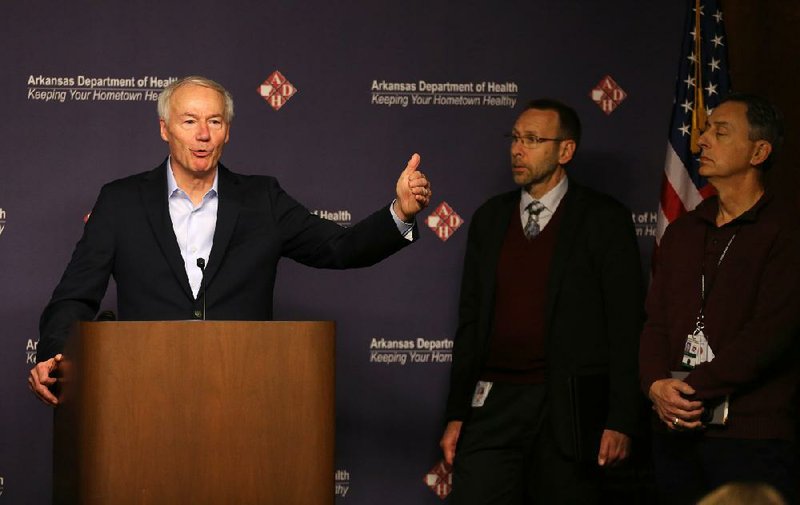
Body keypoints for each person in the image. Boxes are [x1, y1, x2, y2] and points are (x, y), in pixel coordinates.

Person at [29, 75, 432, 406]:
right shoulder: (120, 201)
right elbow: (74, 297)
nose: (203, 134)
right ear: (164, 129)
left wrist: (400, 212)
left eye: (215, 122)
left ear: (227, 132)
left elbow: (341, 248)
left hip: (244, 394)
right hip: (141, 395)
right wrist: (52, 356)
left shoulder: (262, 200)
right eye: (189, 121)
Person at [439, 99, 643, 504]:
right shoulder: (489, 219)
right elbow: (470, 323)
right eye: (515, 138)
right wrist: (457, 413)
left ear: (565, 151)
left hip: (567, 408)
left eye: (532, 140)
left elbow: (627, 326)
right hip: (494, 402)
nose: (517, 149)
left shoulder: (603, 219)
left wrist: (622, 419)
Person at [639, 93, 800, 504]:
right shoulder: (684, 231)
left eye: (719, 132)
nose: (701, 142)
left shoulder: (785, 230)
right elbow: (655, 323)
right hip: (675, 432)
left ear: (759, 151)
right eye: (706, 130)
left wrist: (688, 390)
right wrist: (657, 385)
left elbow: (770, 335)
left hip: (749, 438)